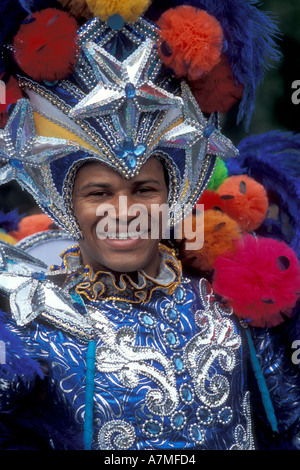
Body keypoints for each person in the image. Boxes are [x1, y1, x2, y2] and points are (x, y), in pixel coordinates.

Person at [0, 0, 300, 451]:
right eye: (99, 194)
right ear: (66, 205)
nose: (125, 211)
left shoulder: (233, 304)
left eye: (144, 190)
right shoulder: (27, 320)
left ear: (175, 194)